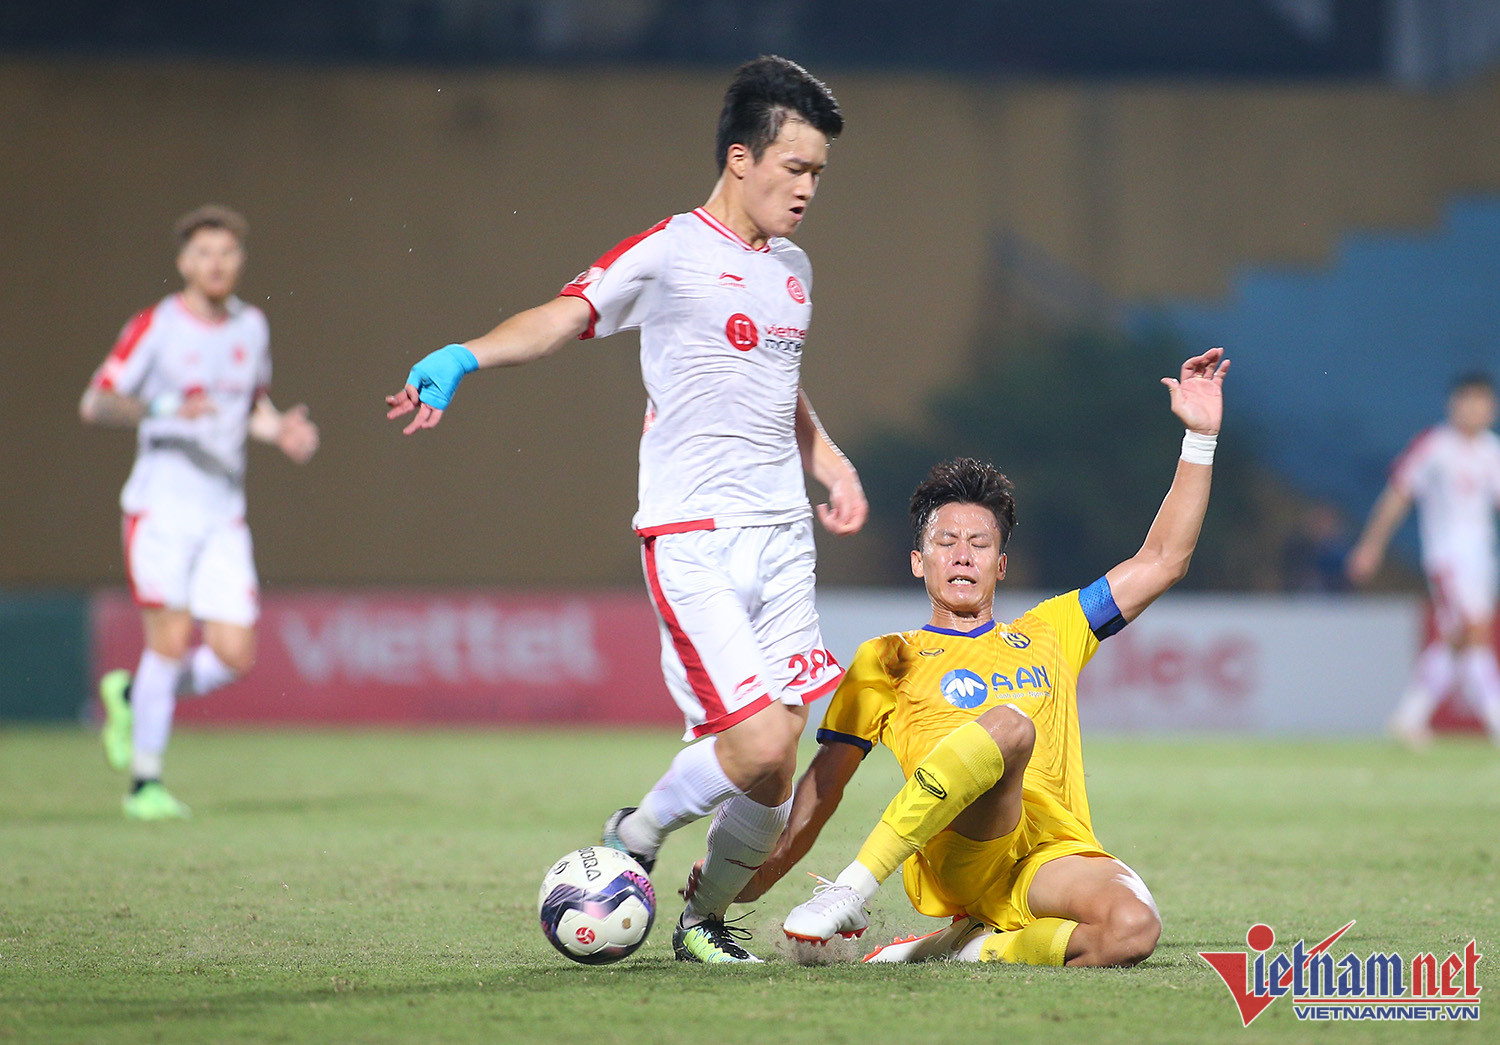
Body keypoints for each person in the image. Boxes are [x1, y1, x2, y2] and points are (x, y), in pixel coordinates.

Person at [384, 56, 867, 963]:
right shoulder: (670, 250)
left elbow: (777, 382)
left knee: (777, 759)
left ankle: (703, 923)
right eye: (795, 169)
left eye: (818, 174)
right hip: (693, 536)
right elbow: (562, 316)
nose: (808, 190)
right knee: (757, 736)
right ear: (740, 158)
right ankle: (636, 834)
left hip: (784, 536)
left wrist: (826, 457)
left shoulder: (794, 268)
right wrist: (465, 355)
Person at [733, 348, 1227, 967]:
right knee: (1009, 726)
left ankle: (967, 946)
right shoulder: (886, 658)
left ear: (1001, 564)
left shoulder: (1055, 626)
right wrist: (757, 875)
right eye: (945, 541)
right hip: (956, 852)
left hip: (1047, 851)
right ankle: (853, 890)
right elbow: (824, 786)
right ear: (920, 563)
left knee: (1132, 930)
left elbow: (1162, 562)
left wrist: (1200, 439)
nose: (962, 554)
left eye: (979, 542)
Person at [81, 205, 319, 820]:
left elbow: (250, 406)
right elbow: (96, 403)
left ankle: (133, 695)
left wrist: (280, 431)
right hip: (160, 510)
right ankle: (145, 785)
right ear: (184, 263)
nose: (216, 264)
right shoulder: (156, 326)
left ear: (240, 261)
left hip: (222, 515)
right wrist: (162, 407)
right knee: (170, 641)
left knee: (236, 655)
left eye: (228, 253)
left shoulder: (251, 326)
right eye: (204, 253)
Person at [1347, 373, 1500, 746]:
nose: (1476, 409)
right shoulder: (1434, 446)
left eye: (1483, 402)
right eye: (1469, 401)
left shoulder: (1491, 451)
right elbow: (1398, 495)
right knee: (1473, 632)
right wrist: (1371, 545)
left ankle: (1409, 716)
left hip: (1482, 559)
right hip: (1446, 557)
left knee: (1458, 638)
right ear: (1454, 404)